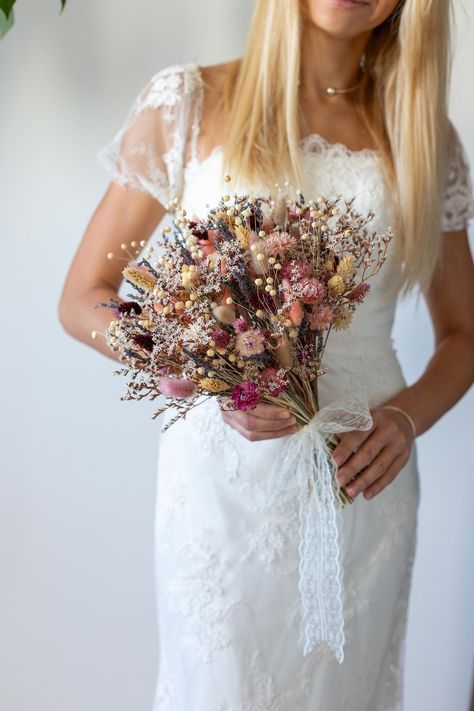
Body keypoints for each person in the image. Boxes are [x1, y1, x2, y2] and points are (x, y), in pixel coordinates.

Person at [58, 0, 474, 708]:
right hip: (221, 492)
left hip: (360, 485)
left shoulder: (421, 134)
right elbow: (82, 295)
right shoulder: (192, 102)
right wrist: (183, 359)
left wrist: (405, 420)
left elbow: (464, 336)